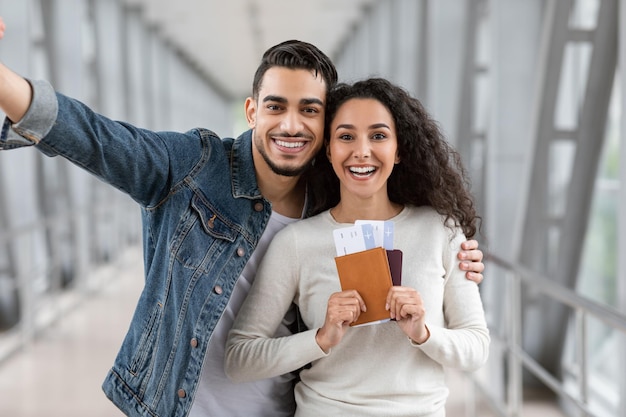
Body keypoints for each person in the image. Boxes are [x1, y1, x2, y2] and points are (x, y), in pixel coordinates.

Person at [0, 16, 485, 417]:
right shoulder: (191, 166)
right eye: (276, 106)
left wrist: (455, 258)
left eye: (309, 110)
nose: (291, 125)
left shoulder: (329, 203)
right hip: (175, 404)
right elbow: (96, 139)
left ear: (324, 125)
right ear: (252, 110)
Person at [225, 78, 490, 417]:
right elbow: (239, 359)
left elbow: (477, 349)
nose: (361, 151)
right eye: (346, 136)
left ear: (399, 151)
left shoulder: (440, 231)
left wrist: (423, 333)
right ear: (329, 150)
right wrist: (320, 339)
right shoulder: (295, 244)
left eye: (378, 136)